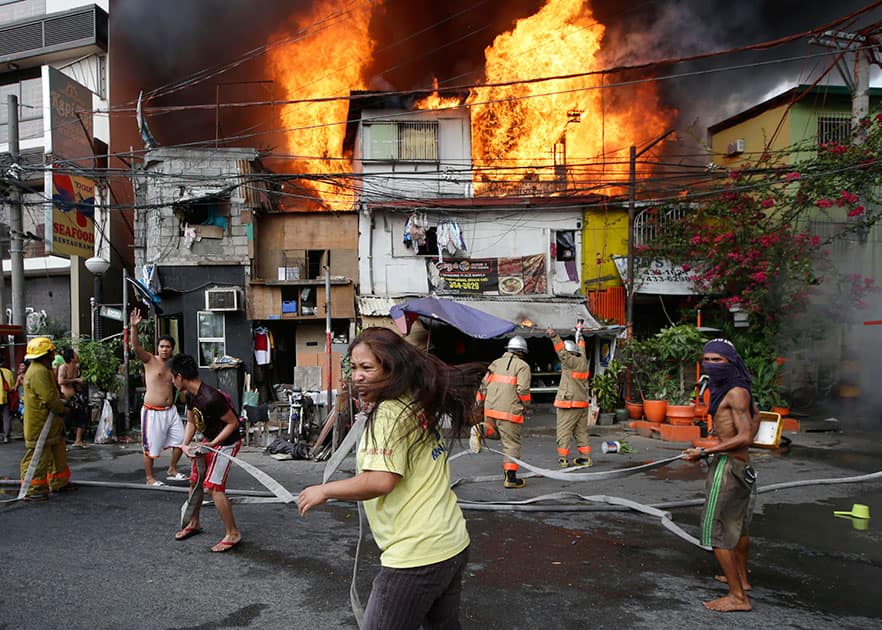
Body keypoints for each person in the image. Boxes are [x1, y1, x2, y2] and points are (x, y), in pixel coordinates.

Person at [298, 327, 482, 629]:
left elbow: (382, 480)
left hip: (417, 555)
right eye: (354, 368)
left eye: (367, 368)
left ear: (392, 368)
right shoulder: (416, 398)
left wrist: (325, 490)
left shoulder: (388, 414)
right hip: (451, 542)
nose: (357, 376)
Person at [683, 338, 761, 613]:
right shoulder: (737, 389)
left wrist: (705, 452)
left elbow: (745, 436)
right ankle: (742, 580)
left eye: (718, 360)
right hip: (740, 466)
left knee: (714, 530)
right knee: (737, 527)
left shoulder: (735, 392)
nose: (711, 364)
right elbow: (757, 416)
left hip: (728, 467)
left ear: (731, 361)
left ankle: (738, 597)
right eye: (707, 359)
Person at [170, 353, 242, 552]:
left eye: (172, 377)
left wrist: (214, 444)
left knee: (214, 487)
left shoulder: (211, 397)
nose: (171, 381)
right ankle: (194, 523)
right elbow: (192, 422)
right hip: (209, 441)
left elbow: (233, 423)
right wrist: (186, 445)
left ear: (179, 376)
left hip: (227, 442)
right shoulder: (191, 395)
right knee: (195, 480)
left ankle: (233, 533)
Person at [130, 310, 185, 485]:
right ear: (158, 348)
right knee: (150, 448)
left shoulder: (174, 364)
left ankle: (172, 469)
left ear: (172, 349)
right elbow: (136, 348)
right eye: (162, 346)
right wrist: (133, 327)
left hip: (171, 410)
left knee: (182, 440)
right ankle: (149, 478)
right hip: (152, 412)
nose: (164, 349)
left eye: (167, 346)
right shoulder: (150, 360)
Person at [471, 335, 532, 489]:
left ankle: (479, 429)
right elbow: (523, 390)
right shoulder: (523, 366)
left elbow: (483, 385)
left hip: (490, 409)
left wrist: (478, 402)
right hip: (509, 411)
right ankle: (510, 479)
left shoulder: (495, 363)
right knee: (511, 444)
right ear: (521, 352)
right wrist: (526, 404)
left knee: (494, 432)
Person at [19, 337, 76, 501]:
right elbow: (49, 398)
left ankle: (59, 482)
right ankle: (33, 488)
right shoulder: (38, 372)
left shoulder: (43, 369)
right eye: (51, 352)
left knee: (58, 454)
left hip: (51, 423)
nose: (53, 354)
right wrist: (62, 408)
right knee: (38, 456)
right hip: (41, 424)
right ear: (46, 354)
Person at [546, 328, 592, 468]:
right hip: (582, 403)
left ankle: (563, 459)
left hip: (569, 403)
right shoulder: (583, 360)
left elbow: (561, 352)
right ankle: (585, 458)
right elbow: (582, 348)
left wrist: (554, 336)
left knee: (564, 431)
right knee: (581, 432)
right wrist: (580, 337)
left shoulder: (569, 362)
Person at [57, 347, 89, 448]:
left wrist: (80, 383)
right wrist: (76, 380)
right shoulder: (63, 367)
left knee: (81, 417)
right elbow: (61, 381)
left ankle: (78, 440)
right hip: (66, 396)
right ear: (71, 358)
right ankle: (61, 442)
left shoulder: (76, 368)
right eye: (74, 354)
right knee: (66, 420)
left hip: (76, 395)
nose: (77, 356)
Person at [0, 356, 16, 443]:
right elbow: (11, 387)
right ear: (3, 362)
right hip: (5, 398)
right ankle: (6, 437)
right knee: (6, 417)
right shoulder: (8, 372)